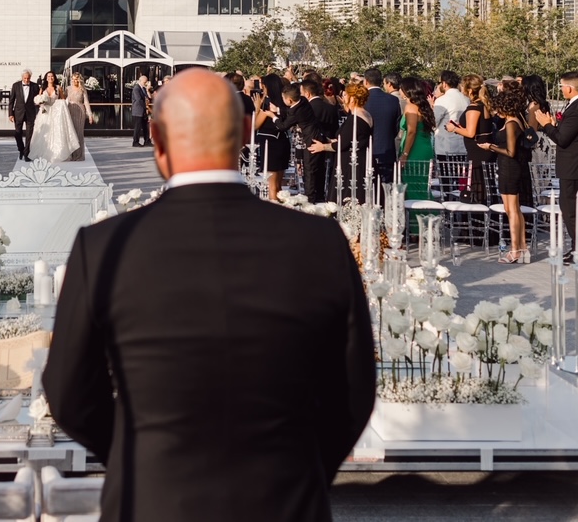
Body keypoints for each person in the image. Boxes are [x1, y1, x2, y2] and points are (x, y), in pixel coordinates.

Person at [43, 69, 375, 522]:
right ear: (244, 132)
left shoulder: (102, 247)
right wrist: (300, 465)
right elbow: (353, 390)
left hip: (152, 500)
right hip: (285, 500)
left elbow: (68, 393)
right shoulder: (320, 241)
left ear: (157, 139)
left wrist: (137, 455)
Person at [533, 71, 578, 266]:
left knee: (575, 210)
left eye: (562, 87)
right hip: (573, 166)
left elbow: (562, 139)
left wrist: (546, 125)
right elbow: (566, 133)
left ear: (569, 88)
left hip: (576, 167)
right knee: (570, 208)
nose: (561, 90)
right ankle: (577, 248)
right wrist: (554, 124)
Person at [480, 88, 532, 263]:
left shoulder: (511, 123)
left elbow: (510, 151)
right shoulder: (517, 119)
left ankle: (515, 249)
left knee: (511, 210)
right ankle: (523, 248)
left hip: (509, 167)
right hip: (510, 167)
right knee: (515, 209)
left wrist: (490, 147)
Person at [309, 83, 372, 204]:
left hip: (352, 163)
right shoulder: (366, 114)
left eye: (346, 96)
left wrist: (322, 147)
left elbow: (343, 144)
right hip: (361, 158)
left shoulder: (355, 118)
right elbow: (354, 138)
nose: (344, 99)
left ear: (352, 99)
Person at [444, 74, 493, 204]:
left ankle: (479, 215)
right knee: (485, 182)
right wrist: (460, 128)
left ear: (469, 90)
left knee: (477, 183)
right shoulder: (484, 105)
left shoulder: (473, 108)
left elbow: (471, 133)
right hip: (484, 149)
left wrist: (453, 129)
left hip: (477, 150)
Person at [249, 73, 289, 201]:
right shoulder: (283, 103)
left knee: (271, 185)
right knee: (278, 184)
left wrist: (257, 108)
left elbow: (255, 125)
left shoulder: (268, 103)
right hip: (282, 141)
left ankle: (275, 211)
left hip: (270, 143)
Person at [363, 67, 401, 186]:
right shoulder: (393, 100)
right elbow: (396, 126)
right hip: (387, 147)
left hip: (366, 149)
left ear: (366, 81)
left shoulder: (362, 100)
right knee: (386, 187)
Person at [30, 71, 78, 163]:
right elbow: (38, 99)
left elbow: (63, 100)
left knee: (57, 132)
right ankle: (43, 152)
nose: (50, 78)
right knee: (44, 133)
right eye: (48, 76)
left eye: (52, 76)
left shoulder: (58, 88)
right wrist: (40, 102)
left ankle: (58, 152)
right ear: (46, 78)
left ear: (54, 78)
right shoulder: (43, 88)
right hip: (45, 113)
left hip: (56, 114)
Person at [398, 82, 435, 200]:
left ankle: (419, 216)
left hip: (414, 149)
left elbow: (411, 131)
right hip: (424, 146)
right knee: (422, 185)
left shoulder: (411, 107)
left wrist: (405, 154)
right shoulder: (423, 106)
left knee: (414, 186)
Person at [433, 70, 469, 161]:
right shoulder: (466, 99)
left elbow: (433, 122)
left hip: (445, 146)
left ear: (444, 84)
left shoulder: (442, 100)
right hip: (463, 145)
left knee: (445, 174)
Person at [9, 69, 40, 161]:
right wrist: (10, 114)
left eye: (28, 78)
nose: (26, 80)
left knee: (29, 134)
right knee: (17, 134)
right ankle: (21, 149)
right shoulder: (15, 85)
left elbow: (38, 100)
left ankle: (27, 154)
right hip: (18, 113)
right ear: (22, 77)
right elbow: (11, 100)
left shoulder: (35, 86)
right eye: (25, 78)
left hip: (30, 113)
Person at [65, 72, 89, 161]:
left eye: (77, 79)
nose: (75, 80)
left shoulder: (83, 89)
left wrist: (89, 115)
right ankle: (71, 154)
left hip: (80, 111)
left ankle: (79, 155)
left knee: (79, 133)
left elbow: (86, 102)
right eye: (74, 78)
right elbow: (63, 99)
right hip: (70, 110)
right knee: (70, 133)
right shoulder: (68, 89)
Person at [130, 74, 152, 147]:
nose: (146, 83)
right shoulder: (136, 88)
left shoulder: (143, 89)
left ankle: (147, 141)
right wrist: (145, 106)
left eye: (146, 82)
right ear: (141, 81)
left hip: (143, 110)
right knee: (138, 127)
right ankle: (135, 142)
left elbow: (148, 98)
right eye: (145, 82)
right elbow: (138, 99)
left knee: (145, 126)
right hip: (138, 111)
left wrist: (147, 90)